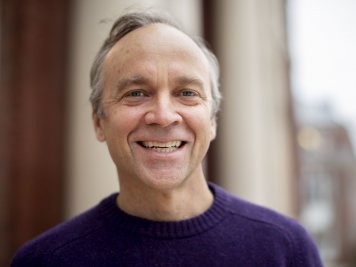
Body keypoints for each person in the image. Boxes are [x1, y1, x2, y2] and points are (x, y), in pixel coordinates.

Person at [11, 11, 323, 266]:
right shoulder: (45, 260)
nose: (163, 115)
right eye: (136, 93)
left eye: (187, 93)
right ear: (98, 122)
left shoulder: (286, 249)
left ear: (212, 120)